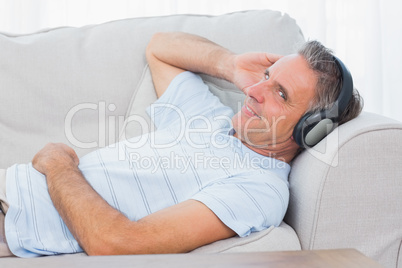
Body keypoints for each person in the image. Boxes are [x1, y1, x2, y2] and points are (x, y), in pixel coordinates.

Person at [0, 32, 362, 257]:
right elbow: (160, 47)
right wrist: (230, 63)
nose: (253, 92)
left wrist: (57, 165)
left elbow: (116, 243)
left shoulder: (258, 189)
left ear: (311, 129)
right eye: (266, 77)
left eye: (279, 93)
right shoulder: (208, 117)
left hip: (12, 222)